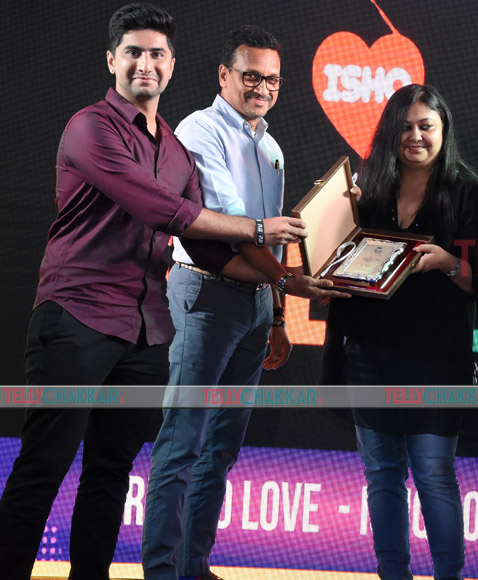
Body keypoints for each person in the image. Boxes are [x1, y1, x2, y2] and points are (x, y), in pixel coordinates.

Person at [0, 5, 330, 580]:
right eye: (133, 52)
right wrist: (257, 231)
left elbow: (202, 245)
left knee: (110, 471)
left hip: (147, 331)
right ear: (112, 61)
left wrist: (286, 282)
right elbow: (161, 208)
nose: (145, 64)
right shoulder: (91, 128)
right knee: (43, 467)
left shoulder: (175, 150)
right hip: (76, 319)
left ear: (172, 65)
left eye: (156, 54)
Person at [141, 25, 346, 580]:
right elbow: (235, 231)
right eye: (251, 75)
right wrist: (290, 282)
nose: (262, 87)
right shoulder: (198, 130)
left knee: (224, 445)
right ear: (224, 75)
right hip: (204, 293)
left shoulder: (272, 147)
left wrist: (278, 311)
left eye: (272, 79)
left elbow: (270, 238)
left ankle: (193, 567)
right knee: (183, 440)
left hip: (256, 304)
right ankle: (161, 571)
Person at [321, 83, 478, 580]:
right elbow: (337, 263)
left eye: (426, 126)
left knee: (435, 477)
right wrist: (341, 212)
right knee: (381, 476)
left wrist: (446, 262)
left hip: (436, 360)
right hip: (368, 355)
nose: (415, 136)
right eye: (405, 127)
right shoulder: (368, 187)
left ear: (443, 131)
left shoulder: (468, 191)